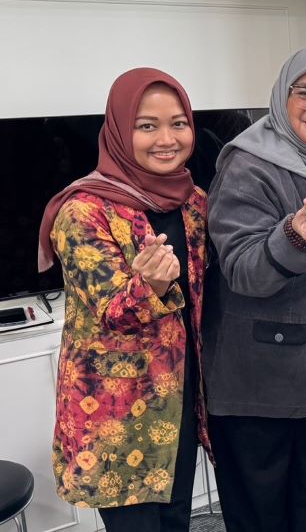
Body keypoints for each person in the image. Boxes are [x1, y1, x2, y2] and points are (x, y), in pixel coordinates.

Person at [203, 47, 306, 532]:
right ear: (282, 95)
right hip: (259, 384)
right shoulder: (247, 164)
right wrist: (293, 238)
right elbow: (242, 270)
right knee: (262, 514)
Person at [39, 68, 210, 532]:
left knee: (177, 518)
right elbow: (113, 311)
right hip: (112, 410)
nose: (166, 139)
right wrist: (150, 286)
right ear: (117, 129)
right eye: (146, 125)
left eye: (178, 123)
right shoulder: (82, 211)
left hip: (178, 396)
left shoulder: (193, 202)